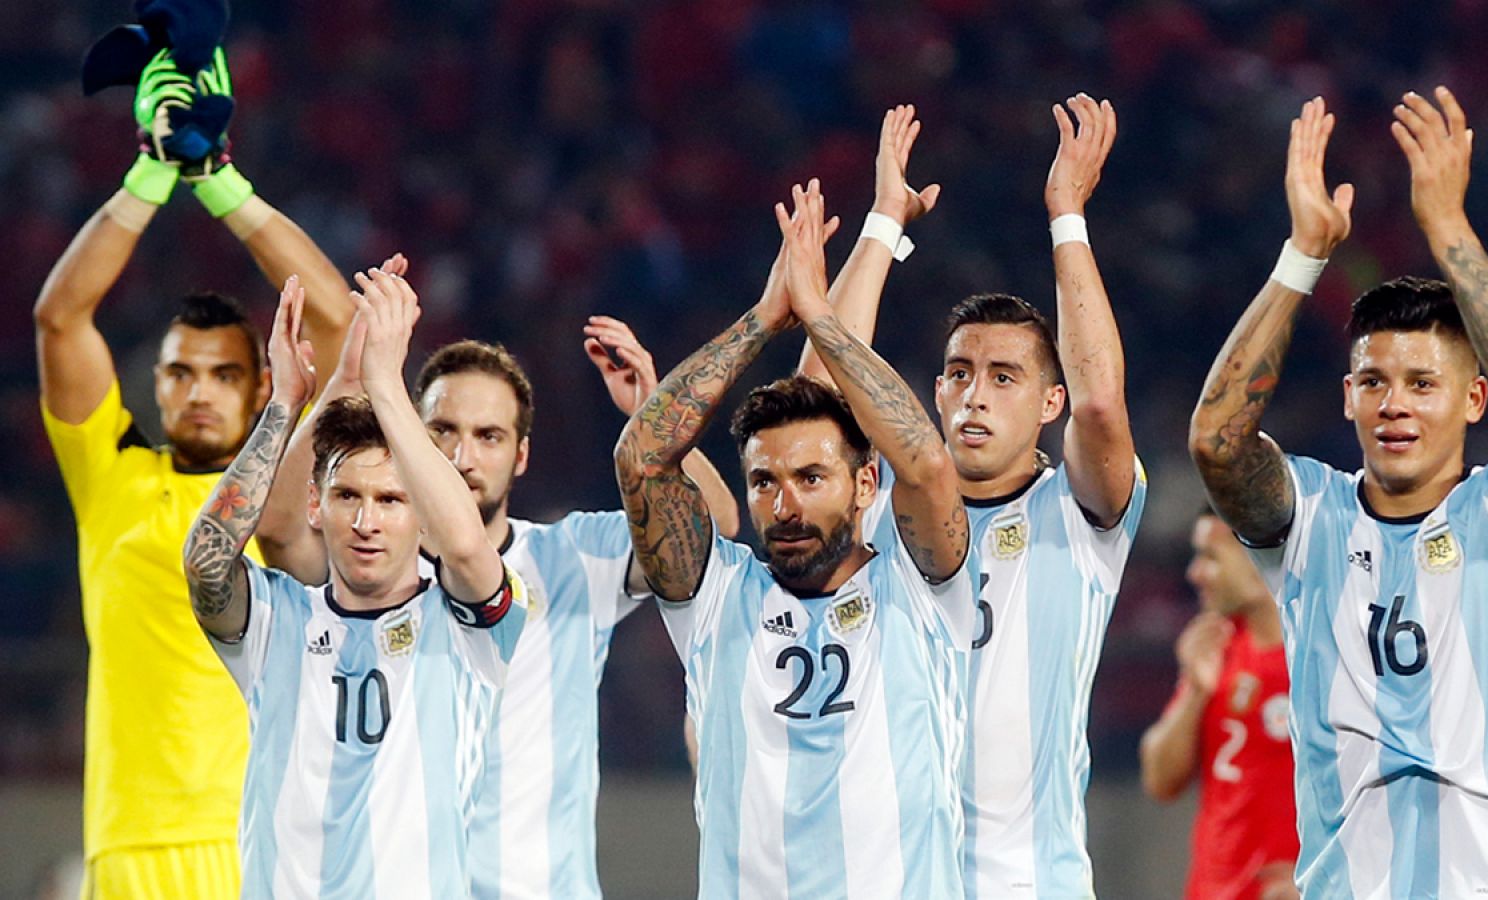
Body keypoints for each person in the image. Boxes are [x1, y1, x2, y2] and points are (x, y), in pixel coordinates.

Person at [1189, 91, 1488, 897]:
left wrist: (1447, 227)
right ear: (1347, 396)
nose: (1394, 403)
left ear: (1475, 401)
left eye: (1421, 383)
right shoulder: (1309, 521)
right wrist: (1303, 254)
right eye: (1373, 381)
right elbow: (1215, 442)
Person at [255, 295, 739, 896]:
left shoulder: (575, 556)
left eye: (489, 436)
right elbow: (277, 533)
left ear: (522, 454)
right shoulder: (373, 565)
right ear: (412, 435)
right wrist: (346, 385)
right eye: (443, 431)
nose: (462, 457)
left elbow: (711, 531)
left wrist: (653, 419)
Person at [796, 100, 1145, 897]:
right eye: (958, 374)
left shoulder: (1080, 518)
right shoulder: (876, 506)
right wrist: (885, 221)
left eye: (1004, 376)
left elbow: (1100, 404)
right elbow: (812, 407)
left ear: (1047, 404)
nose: (973, 396)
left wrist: (1068, 218)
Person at [34, 49, 351, 897]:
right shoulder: (109, 474)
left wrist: (217, 181)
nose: (201, 392)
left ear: (260, 391)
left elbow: (340, 323)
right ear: (157, 386)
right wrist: (151, 168)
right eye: (182, 373)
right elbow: (61, 318)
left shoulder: (283, 487)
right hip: (132, 843)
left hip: (265, 836)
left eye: (224, 374)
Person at [615, 180, 974, 897]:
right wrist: (762, 320)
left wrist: (817, 313)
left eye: (812, 478)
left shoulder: (923, 585)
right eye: (764, 482)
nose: (785, 504)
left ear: (865, 485)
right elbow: (641, 457)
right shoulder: (712, 598)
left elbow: (930, 465)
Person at [184, 267, 528, 897]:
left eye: (392, 500)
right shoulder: (275, 623)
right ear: (317, 506)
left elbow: (464, 545)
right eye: (347, 496)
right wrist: (290, 405)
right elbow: (207, 563)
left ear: (420, 510)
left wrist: (384, 385)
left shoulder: (472, 628)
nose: (367, 522)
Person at [1140, 512, 1297, 900]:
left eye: (1210, 557)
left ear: (1257, 555)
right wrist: (1195, 690)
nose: (1195, 573)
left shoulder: (1323, 657)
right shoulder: (1218, 645)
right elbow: (1160, 780)